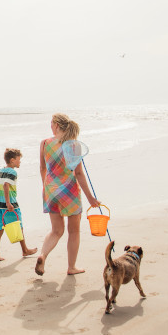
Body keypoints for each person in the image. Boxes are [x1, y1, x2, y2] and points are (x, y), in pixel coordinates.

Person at [34, 113, 102, 276]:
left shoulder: (44, 143)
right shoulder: (74, 145)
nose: (50, 126)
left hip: (50, 189)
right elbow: (78, 173)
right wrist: (90, 197)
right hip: (69, 190)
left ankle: (43, 255)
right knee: (74, 231)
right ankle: (71, 267)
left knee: (56, 231)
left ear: (57, 125)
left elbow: (43, 169)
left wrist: (48, 187)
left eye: (51, 123)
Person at [0, 148, 37, 263]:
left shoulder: (1, 170)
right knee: (19, 226)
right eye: (19, 160)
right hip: (10, 206)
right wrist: (8, 203)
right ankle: (25, 250)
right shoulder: (12, 172)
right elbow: (6, 185)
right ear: (12, 160)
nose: (20, 162)